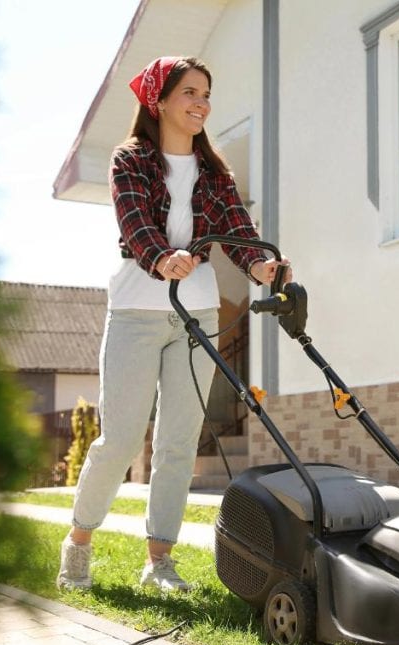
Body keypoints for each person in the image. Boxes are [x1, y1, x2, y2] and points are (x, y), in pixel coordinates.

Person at [56, 56, 288, 592]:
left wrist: (261, 265)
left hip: (196, 313)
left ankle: (159, 559)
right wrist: (162, 258)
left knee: (179, 443)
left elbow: (238, 231)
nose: (201, 102)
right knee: (119, 439)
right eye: (189, 92)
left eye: (206, 93)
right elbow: (134, 222)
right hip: (138, 309)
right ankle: (79, 542)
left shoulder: (215, 172)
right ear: (159, 102)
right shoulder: (130, 159)